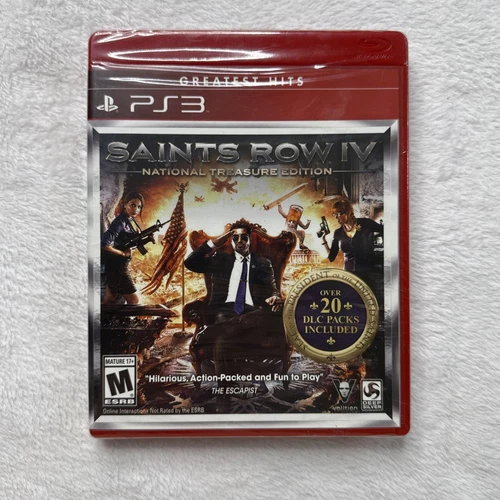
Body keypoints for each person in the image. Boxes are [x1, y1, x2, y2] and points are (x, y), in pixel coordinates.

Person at [101, 192, 148, 305]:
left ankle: (97, 316)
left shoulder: (131, 220)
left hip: (120, 265)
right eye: (133, 205)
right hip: (117, 267)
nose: (136, 209)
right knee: (134, 301)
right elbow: (104, 245)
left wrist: (148, 238)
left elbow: (132, 242)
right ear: (125, 204)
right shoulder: (120, 222)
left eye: (139, 206)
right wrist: (123, 254)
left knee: (109, 299)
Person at [322, 197, 383, 278]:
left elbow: (385, 230)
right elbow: (331, 257)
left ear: (348, 212)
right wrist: (323, 239)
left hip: (367, 274)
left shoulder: (365, 223)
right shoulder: (338, 233)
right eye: (334, 215)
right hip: (348, 276)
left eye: (338, 214)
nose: (336, 217)